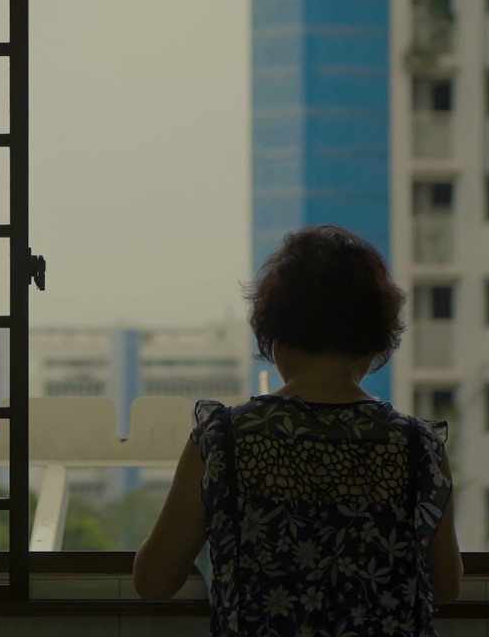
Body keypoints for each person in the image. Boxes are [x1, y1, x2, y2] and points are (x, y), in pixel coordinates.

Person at [133, 224, 462, 636]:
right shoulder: (419, 447)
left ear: (275, 334)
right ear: (375, 340)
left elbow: (153, 582)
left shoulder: (225, 440)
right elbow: (447, 585)